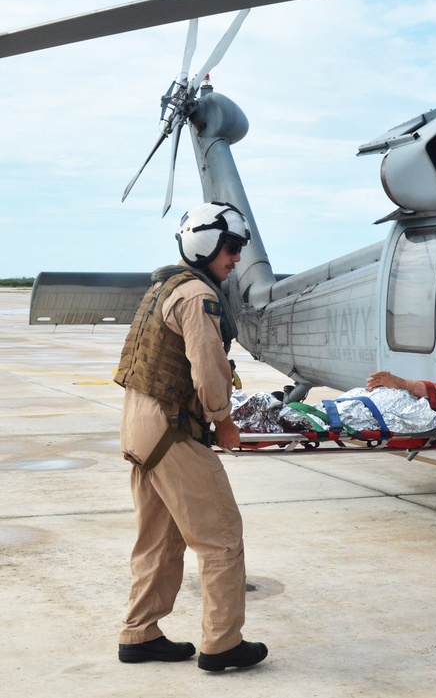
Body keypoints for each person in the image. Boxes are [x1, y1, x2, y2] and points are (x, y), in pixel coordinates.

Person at [114, 201, 268, 671]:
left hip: (141, 428)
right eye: (232, 248)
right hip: (172, 430)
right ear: (206, 245)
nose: (237, 257)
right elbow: (207, 365)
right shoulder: (196, 296)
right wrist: (223, 422)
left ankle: (140, 634)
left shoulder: (166, 284)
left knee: (158, 540)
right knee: (220, 536)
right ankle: (222, 645)